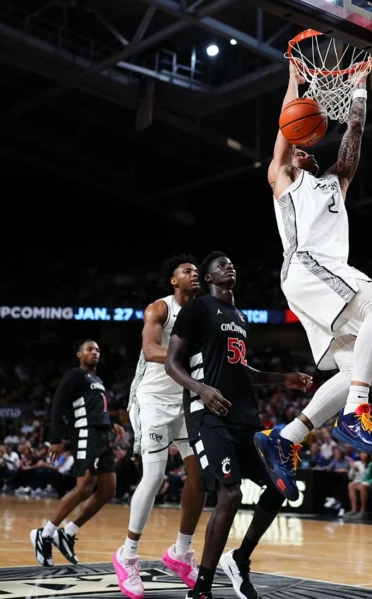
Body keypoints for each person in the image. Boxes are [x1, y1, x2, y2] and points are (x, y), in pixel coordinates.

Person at [257, 65, 372, 502]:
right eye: (299, 147)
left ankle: (286, 437)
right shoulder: (285, 179)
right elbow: (287, 128)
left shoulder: (333, 184)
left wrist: (359, 91)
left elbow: (353, 136)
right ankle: (357, 411)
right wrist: (294, 84)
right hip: (307, 265)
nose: (306, 150)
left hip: (321, 278)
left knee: (359, 369)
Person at [164, 251, 312, 599]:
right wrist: (201, 389)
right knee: (229, 493)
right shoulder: (198, 308)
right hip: (208, 416)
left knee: (278, 487)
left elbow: (242, 369)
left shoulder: (241, 316)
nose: (229, 266)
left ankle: (240, 559)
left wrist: (283, 378)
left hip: (245, 418)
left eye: (231, 263)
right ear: (208, 277)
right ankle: (202, 587)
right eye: (220, 264)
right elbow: (172, 362)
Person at [115, 255, 206, 597]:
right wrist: (193, 357)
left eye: (196, 271)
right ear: (173, 280)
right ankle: (127, 555)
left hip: (184, 399)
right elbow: (152, 349)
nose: (194, 274)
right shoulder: (160, 308)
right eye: (187, 271)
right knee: (154, 476)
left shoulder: (203, 311)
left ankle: (181, 551)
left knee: (201, 477)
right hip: (151, 399)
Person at [31, 340, 125, 567]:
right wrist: (55, 439)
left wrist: (110, 424)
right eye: (90, 349)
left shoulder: (97, 380)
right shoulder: (75, 375)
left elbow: (94, 410)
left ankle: (68, 533)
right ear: (79, 354)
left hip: (102, 437)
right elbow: (58, 404)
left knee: (108, 490)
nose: (95, 353)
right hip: (85, 434)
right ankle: (45, 533)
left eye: (98, 350)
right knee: (84, 487)